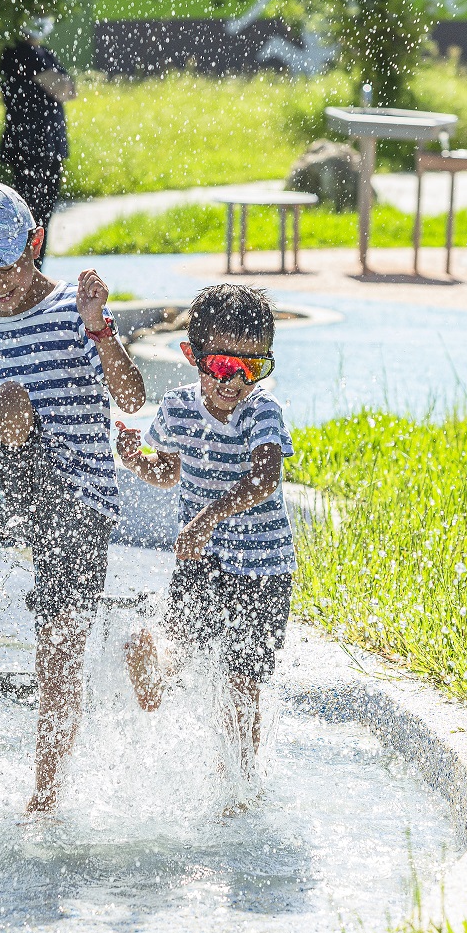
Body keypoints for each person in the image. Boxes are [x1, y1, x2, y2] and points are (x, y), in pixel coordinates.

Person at [0, 181, 146, 813]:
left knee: (59, 649)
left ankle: (46, 793)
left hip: (81, 500)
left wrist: (101, 330)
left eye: (4, 267)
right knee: (6, 400)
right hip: (16, 481)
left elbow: (131, 399)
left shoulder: (71, 305)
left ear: (35, 244)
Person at [115, 284, 295, 787]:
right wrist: (137, 461)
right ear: (192, 356)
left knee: (243, 681)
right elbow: (170, 472)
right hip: (202, 558)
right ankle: (153, 660)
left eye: (252, 367)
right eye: (222, 366)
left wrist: (209, 516)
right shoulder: (176, 408)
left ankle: (234, 782)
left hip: (262, 569)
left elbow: (265, 479)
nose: (236, 380)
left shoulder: (262, 412)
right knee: (178, 642)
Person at [0, 17, 77, 266]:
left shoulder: (44, 53)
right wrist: (61, 83)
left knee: (44, 212)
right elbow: (61, 88)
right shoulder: (19, 52)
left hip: (49, 147)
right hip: (29, 145)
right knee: (29, 212)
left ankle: (35, 268)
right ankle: (23, 268)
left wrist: (61, 84)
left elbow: (70, 90)